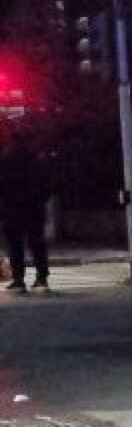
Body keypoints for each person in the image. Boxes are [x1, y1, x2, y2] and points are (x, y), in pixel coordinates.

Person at [0, 118, 51, 295]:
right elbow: (46, 182)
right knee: (37, 242)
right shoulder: (37, 158)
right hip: (34, 206)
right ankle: (41, 278)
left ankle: (19, 279)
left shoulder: (7, 158)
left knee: (15, 244)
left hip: (12, 208)